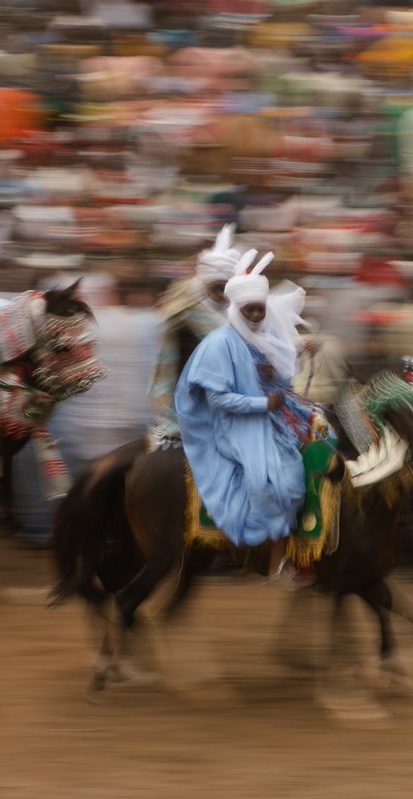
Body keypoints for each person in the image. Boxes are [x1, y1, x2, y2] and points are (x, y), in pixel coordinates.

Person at [175, 249, 315, 579]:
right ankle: (274, 554)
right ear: (236, 309)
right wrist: (261, 405)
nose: (254, 314)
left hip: (274, 416)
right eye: (248, 309)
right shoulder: (217, 344)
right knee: (284, 480)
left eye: (259, 308)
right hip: (235, 424)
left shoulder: (268, 337)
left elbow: (283, 381)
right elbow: (220, 400)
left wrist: (275, 382)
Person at [148, 223, 243, 449]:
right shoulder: (183, 308)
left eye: (226, 289)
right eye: (216, 288)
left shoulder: (243, 310)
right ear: (204, 284)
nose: (222, 295)